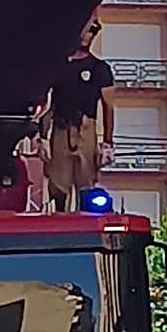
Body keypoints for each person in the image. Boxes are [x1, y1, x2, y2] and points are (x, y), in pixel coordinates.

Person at [42, 20, 115, 211]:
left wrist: (108, 143)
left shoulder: (100, 69)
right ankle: (59, 221)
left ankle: (86, 220)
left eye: (91, 32)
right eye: (84, 31)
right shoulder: (58, 66)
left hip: (86, 128)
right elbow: (49, 105)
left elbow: (108, 106)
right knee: (58, 183)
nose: (86, 36)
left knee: (86, 183)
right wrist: (41, 137)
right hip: (60, 129)